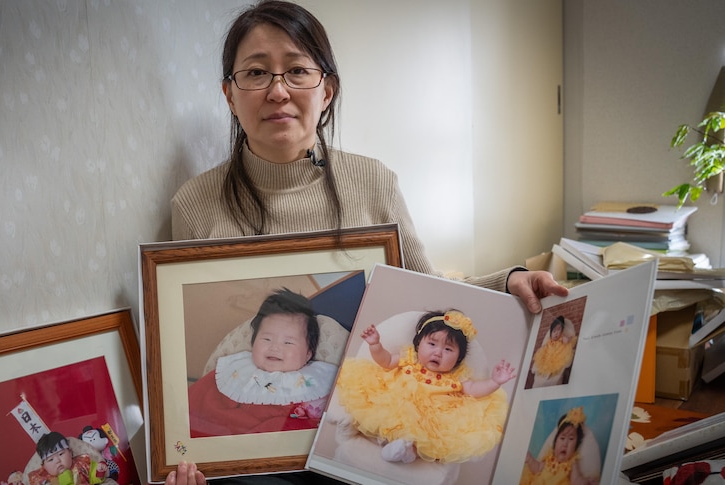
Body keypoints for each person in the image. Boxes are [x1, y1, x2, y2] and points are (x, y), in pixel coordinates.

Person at [166, 1, 568, 483]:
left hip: (354, 436)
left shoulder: (372, 181)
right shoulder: (194, 203)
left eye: (296, 70)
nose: (277, 91)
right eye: (255, 73)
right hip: (256, 456)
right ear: (229, 95)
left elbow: (428, 292)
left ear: (327, 89)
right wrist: (183, 449)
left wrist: (510, 280)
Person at [334, 310, 516, 464]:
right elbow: (386, 361)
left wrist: (495, 382)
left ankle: (406, 450)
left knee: (424, 435)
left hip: (430, 415)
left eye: (448, 349)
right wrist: (375, 345)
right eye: (432, 344)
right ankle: (380, 437)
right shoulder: (409, 359)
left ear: (458, 359)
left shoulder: (456, 376)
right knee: (381, 414)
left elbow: (474, 391)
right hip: (396, 400)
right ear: (418, 344)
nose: (438, 352)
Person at [187, 288, 338, 437]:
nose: (275, 347)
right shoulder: (236, 369)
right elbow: (198, 400)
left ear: (307, 354)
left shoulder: (314, 383)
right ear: (253, 343)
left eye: (288, 342)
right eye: (267, 339)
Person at [520, 407, 599, 485]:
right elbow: (537, 468)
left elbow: (576, 480)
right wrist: (530, 459)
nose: (565, 444)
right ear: (555, 442)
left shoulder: (572, 463)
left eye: (571, 439)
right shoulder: (550, 458)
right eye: (562, 438)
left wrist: (585, 481)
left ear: (575, 447)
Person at [27, 431, 113, 485]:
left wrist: (99, 470)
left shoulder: (81, 464)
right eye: (50, 459)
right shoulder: (40, 478)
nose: (57, 461)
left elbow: (95, 477)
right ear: (44, 466)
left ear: (70, 453)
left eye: (61, 454)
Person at [530, 316, 578, 388]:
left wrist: (567, 339)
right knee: (539, 379)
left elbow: (571, 338)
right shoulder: (548, 343)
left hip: (557, 358)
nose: (556, 333)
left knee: (555, 377)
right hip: (546, 361)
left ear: (562, 331)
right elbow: (542, 351)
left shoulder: (562, 339)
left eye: (559, 330)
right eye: (554, 331)